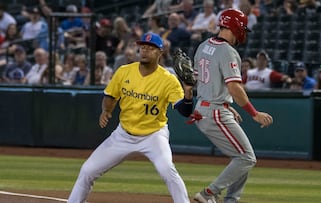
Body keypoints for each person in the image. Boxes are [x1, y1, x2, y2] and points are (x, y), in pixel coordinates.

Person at [67, 32, 194, 203]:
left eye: (150, 48)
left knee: (167, 171)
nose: (145, 51)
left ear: (160, 53)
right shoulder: (124, 71)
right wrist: (106, 111)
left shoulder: (168, 80)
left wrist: (187, 94)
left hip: (153, 135)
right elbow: (110, 96)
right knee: (87, 171)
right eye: (143, 47)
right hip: (123, 135)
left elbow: (184, 111)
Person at [192, 8, 273, 203]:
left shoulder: (203, 46)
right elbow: (235, 87)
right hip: (214, 112)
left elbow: (204, 83)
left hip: (206, 107)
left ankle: (231, 200)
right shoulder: (228, 51)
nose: (243, 33)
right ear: (236, 27)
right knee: (246, 158)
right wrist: (253, 113)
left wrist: (227, 106)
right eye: (242, 28)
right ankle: (208, 194)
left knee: (242, 157)